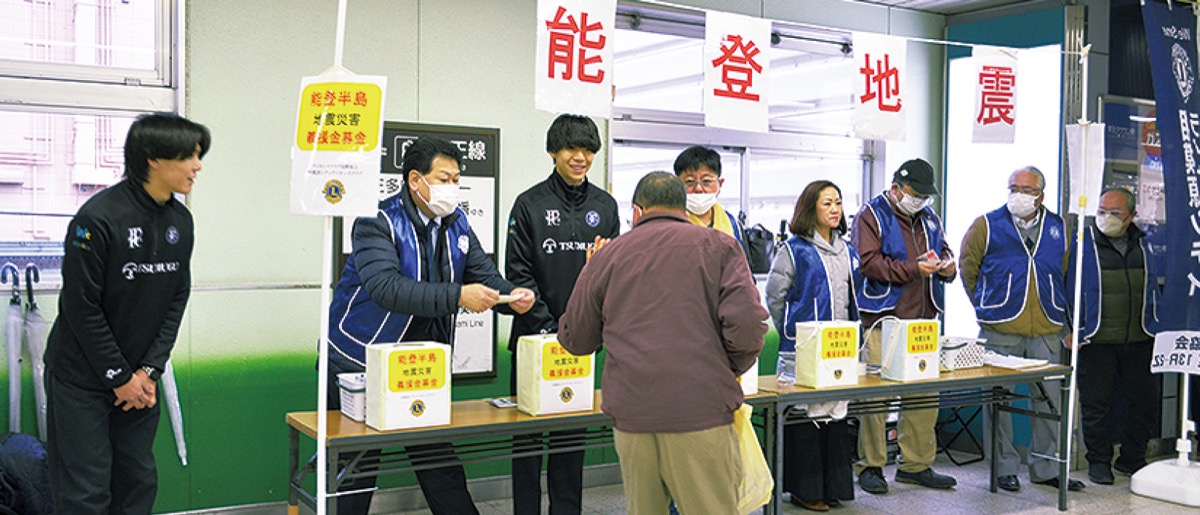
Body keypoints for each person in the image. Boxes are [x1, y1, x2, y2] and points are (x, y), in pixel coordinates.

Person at [325, 137, 535, 515]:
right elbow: (387, 289)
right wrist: (458, 296)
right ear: (415, 180)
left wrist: (513, 297)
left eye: (457, 179)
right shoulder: (377, 220)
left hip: (420, 365)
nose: (452, 187)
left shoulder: (456, 223)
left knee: (440, 465)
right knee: (356, 472)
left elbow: (484, 277)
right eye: (444, 178)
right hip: (360, 360)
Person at [559, 171, 767, 514]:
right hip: (702, 409)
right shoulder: (720, 246)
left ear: (636, 212)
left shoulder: (609, 257)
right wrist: (725, 368)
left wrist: (588, 271)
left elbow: (576, 340)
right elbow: (748, 326)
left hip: (633, 414)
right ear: (683, 209)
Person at [44, 113, 210, 514]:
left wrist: (148, 370)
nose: (197, 166)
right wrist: (118, 376)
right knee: (86, 491)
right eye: (189, 155)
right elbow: (81, 308)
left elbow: (176, 298)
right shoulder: (97, 219)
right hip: (81, 379)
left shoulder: (180, 221)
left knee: (137, 480)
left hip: (138, 381)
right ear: (154, 158)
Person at [504, 114, 620, 515]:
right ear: (553, 151)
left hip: (582, 342)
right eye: (571, 148)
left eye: (588, 149)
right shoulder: (529, 204)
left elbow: (612, 274)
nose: (580, 157)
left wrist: (580, 329)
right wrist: (553, 328)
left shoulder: (605, 207)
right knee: (528, 439)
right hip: (533, 344)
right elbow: (517, 276)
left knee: (572, 440)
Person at [959, 165, 1085, 492]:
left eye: (1027, 189)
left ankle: (1046, 468)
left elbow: (1066, 277)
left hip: (1047, 328)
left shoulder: (1058, 227)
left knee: (1049, 402)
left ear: (1040, 195)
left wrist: (1069, 325)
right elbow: (968, 269)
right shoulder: (985, 225)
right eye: (1014, 187)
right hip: (1001, 328)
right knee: (998, 401)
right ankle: (1003, 468)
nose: (1019, 194)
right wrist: (987, 306)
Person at [849, 159, 958, 494]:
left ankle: (916, 465)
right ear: (897, 188)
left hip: (924, 321)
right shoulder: (870, 215)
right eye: (915, 194)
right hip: (883, 320)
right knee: (875, 399)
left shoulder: (929, 217)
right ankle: (871, 466)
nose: (920, 200)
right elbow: (868, 264)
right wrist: (914, 269)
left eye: (926, 196)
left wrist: (946, 267)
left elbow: (944, 250)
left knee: (925, 398)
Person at [766, 180, 861, 512]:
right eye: (827, 204)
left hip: (839, 350)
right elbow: (775, 299)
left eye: (838, 202)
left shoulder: (847, 250)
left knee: (835, 419)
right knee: (805, 418)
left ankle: (833, 487)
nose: (835, 209)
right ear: (810, 209)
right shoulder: (793, 250)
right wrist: (794, 335)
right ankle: (805, 490)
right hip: (801, 350)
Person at [1067, 188, 1162, 484]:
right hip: (1097, 339)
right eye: (1102, 210)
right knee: (1097, 404)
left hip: (1139, 337)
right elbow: (1066, 287)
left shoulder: (1144, 244)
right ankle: (1098, 461)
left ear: (1132, 216)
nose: (1106, 217)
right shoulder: (1083, 242)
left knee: (1145, 402)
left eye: (1115, 212)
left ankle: (1132, 457)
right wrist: (1070, 329)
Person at [673, 145, 750, 258]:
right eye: (690, 182)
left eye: (706, 181)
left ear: (720, 184)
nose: (698, 188)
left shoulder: (733, 224)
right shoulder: (670, 223)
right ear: (677, 185)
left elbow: (743, 269)